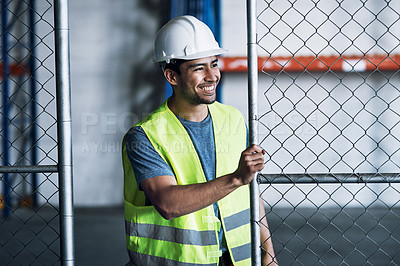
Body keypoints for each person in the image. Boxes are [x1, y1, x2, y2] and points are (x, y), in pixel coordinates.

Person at [122, 15, 277, 265]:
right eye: (198, 68)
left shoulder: (232, 119)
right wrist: (236, 178)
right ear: (172, 77)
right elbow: (168, 203)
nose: (212, 76)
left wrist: (268, 256)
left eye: (214, 64)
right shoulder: (145, 135)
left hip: (237, 260)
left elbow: (251, 191)